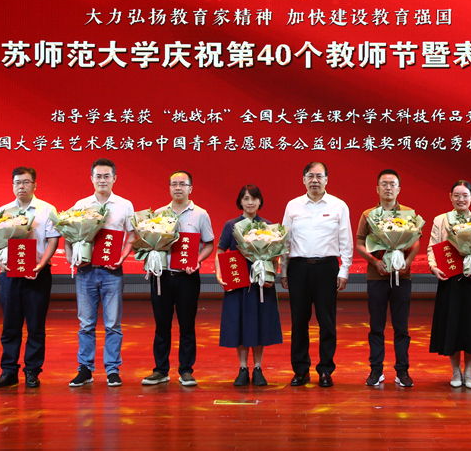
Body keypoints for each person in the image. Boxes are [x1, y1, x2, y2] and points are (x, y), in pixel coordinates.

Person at [280, 162, 353, 388]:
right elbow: (284, 240)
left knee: (327, 322)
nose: (314, 180)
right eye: (310, 176)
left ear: (326, 180)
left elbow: (346, 241)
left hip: (326, 268)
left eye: (319, 176)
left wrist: (344, 270)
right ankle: (300, 370)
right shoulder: (293, 206)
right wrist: (283, 270)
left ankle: (325, 370)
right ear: (303, 179)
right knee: (298, 322)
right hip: (298, 268)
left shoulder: (339, 206)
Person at [141, 171, 214, 387]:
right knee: (161, 325)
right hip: (161, 277)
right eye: (174, 184)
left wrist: (197, 260)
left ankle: (186, 370)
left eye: (183, 184)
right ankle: (160, 370)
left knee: (187, 325)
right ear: (169, 188)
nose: (178, 188)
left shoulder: (200, 214)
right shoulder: (158, 214)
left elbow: (209, 244)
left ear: (191, 188)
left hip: (187, 278)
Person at [68, 158, 136, 388]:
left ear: (114, 178)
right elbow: (68, 233)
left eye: (107, 176)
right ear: (91, 179)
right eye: (98, 176)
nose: (102, 180)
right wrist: (71, 257)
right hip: (86, 272)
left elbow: (132, 235)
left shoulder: (124, 205)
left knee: (113, 324)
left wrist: (122, 257)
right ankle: (85, 369)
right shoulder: (81, 205)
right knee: (86, 324)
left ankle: (112, 370)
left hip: (111, 272)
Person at [0, 167, 60, 389]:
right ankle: (8, 371)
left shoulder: (47, 210)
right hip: (10, 274)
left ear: (34, 185)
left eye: (26, 182)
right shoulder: (3, 211)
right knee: (10, 325)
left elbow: (53, 240)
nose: (21, 186)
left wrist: (41, 265)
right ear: (12, 185)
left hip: (37, 274)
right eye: (17, 182)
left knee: (36, 326)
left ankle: (32, 371)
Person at [427, 180, 471, 389]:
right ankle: (456, 371)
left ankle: (470, 373)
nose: (461, 199)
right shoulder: (441, 220)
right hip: (451, 281)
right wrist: (433, 266)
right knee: (453, 326)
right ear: (450, 197)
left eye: (465, 195)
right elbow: (432, 247)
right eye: (456, 195)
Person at [355, 169, 420, 387]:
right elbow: (360, 244)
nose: (388, 188)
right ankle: (376, 370)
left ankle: (402, 371)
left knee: (401, 327)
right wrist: (375, 262)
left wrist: (407, 263)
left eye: (393, 184)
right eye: (384, 184)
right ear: (377, 189)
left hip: (403, 277)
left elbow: (416, 243)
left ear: (399, 189)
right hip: (377, 277)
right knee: (376, 326)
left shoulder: (409, 214)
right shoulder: (368, 215)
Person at [214, 184, 283, 386]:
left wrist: (272, 275)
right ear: (240, 202)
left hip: (260, 282)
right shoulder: (231, 225)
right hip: (238, 281)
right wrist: (219, 274)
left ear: (260, 201)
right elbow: (220, 250)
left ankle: (258, 368)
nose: (250, 202)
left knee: (260, 323)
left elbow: (275, 255)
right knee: (240, 323)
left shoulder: (267, 226)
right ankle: (243, 368)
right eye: (246, 198)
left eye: (254, 198)